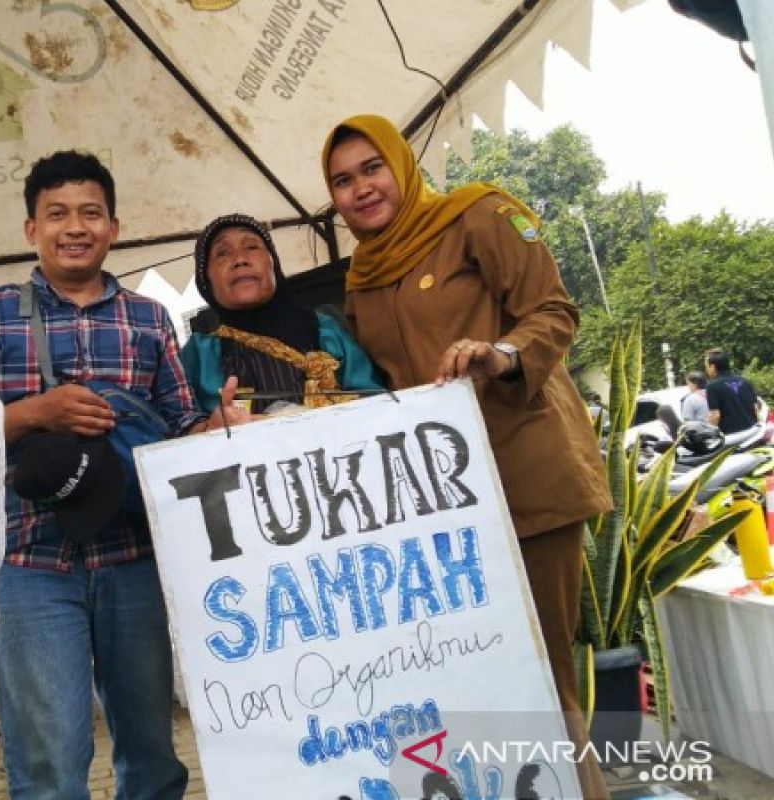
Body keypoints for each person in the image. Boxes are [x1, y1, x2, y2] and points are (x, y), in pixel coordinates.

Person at [321, 114, 612, 799]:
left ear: (400, 163)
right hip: (444, 508)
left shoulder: (477, 214)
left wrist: (500, 354)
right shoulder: (362, 275)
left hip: (527, 477)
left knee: (544, 681)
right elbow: (379, 385)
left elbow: (553, 310)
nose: (360, 188)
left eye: (371, 167)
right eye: (341, 180)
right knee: (484, 686)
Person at [0, 150, 204, 800]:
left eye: (90, 213)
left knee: (153, 756)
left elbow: (181, 430)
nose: (75, 227)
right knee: (48, 767)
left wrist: (220, 427)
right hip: (28, 565)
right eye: (57, 213)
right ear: (30, 229)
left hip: (134, 559)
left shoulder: (150, 320)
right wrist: (33, 414)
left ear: (114, 227)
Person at [180, 212, 384, 415]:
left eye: (251, 247)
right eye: (222, 253)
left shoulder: (324, 331)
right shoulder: (199, 356)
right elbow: (180, 426)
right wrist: (211, 427)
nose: (240, 259)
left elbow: (377, 403)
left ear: (274, 266)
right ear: (205, 280)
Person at [703, 347, 761, 433]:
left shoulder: (712, 386)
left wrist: (708, 434)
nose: (706, 369)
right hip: (752, 432)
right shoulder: (744, 381)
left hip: (732, 437)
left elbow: (715, 415)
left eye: (706, 366)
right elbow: (756, 408)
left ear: (713, 367)